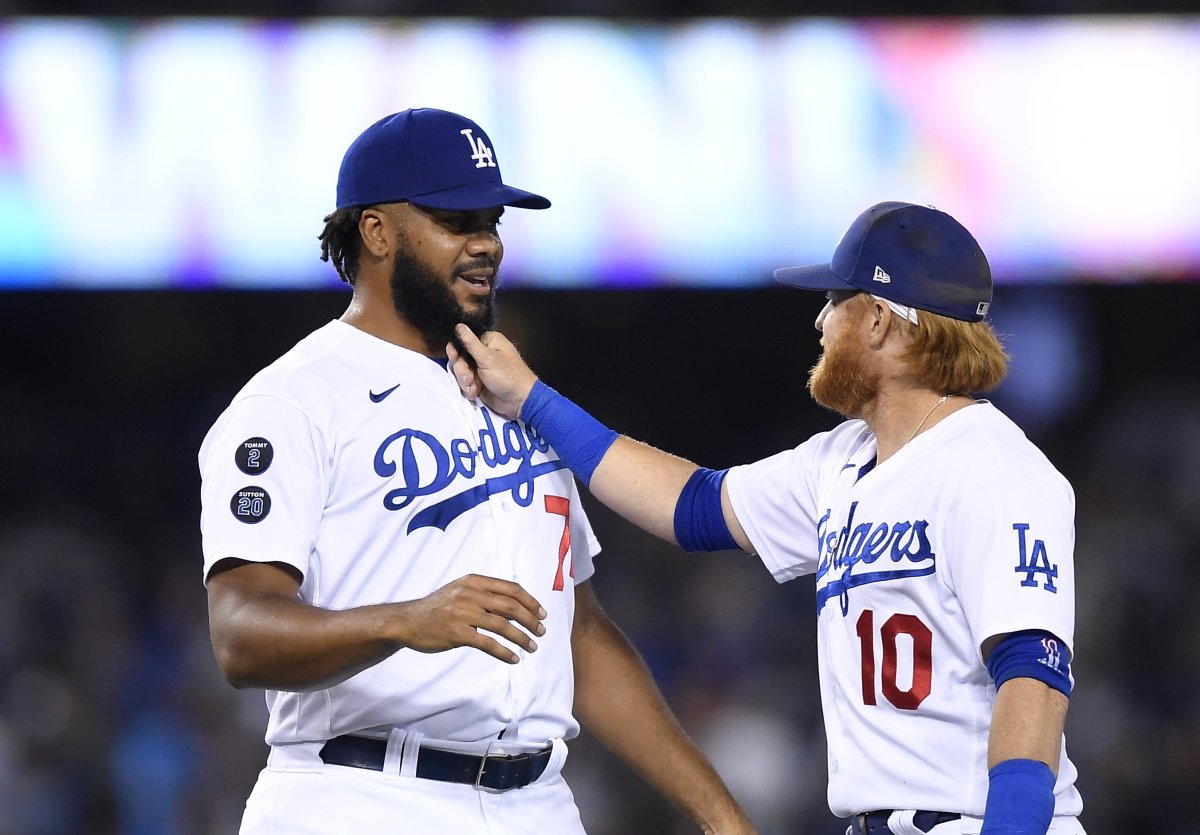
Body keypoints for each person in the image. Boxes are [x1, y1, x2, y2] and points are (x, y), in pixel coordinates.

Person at [198, 107, 754, 835]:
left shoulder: (510, 388)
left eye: (491, 220)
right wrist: (405, 619)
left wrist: (722, 817)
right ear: (377, 231)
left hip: (537, 800)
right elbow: (239, 633)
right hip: (360, 794)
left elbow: (579, 634)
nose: (486, 243)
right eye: (456, 220)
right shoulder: (295, 397)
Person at [448, 201, 1086, 835]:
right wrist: (533, 400)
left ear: (882, 323)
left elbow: (1033, 680)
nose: (820, 320)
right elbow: (690, 506)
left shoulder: (995, 472)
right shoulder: (840, 460)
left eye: (837, 300)